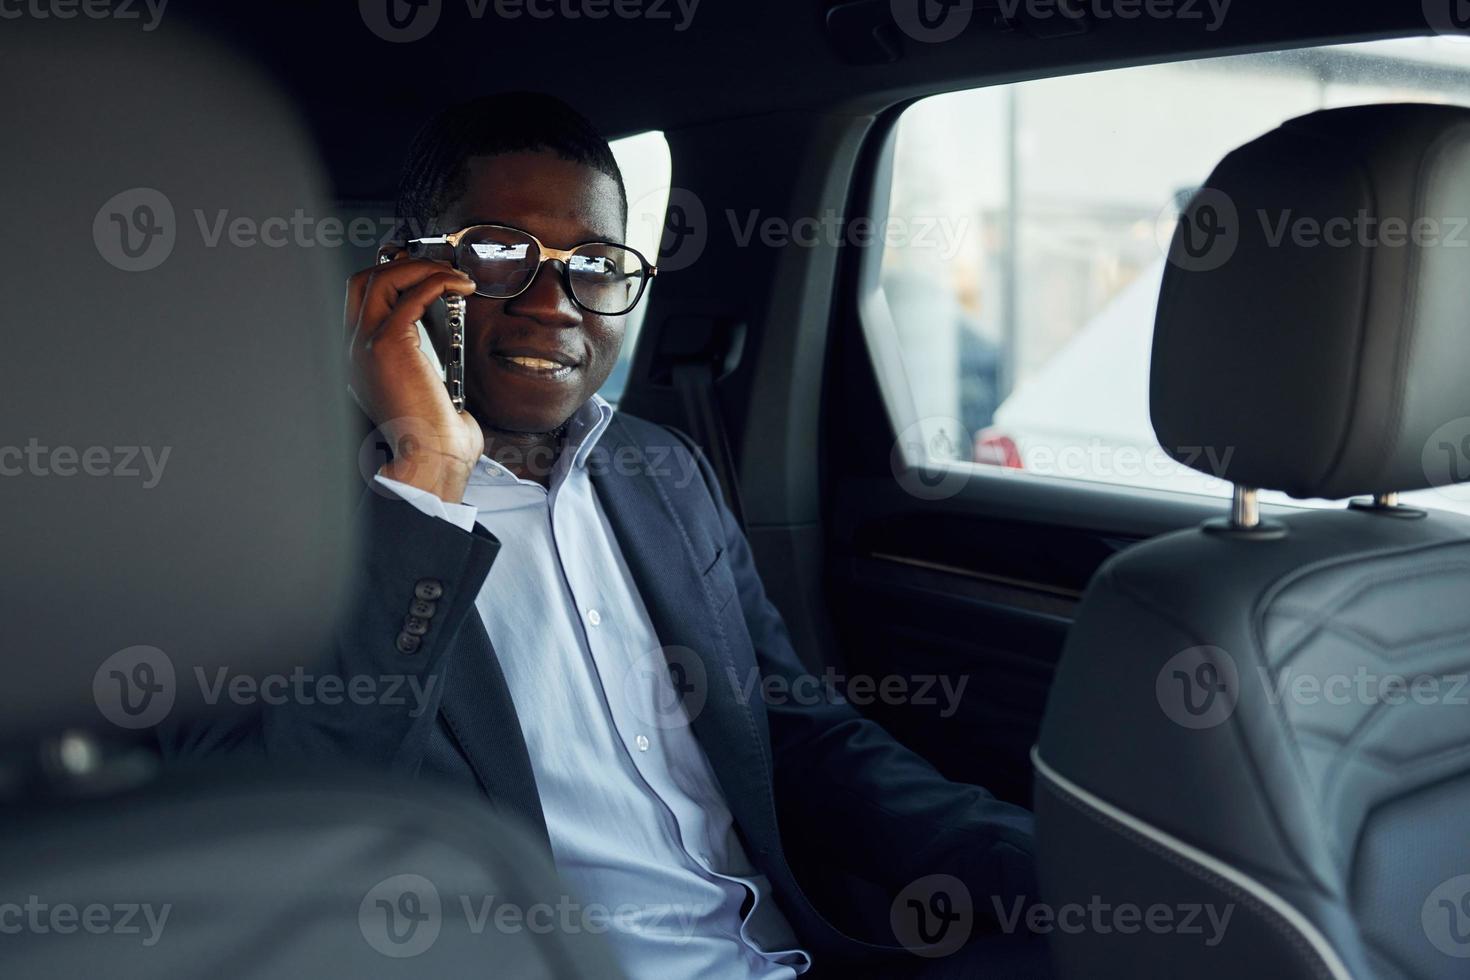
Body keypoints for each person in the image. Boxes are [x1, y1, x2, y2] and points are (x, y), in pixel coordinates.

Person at [172, 92, 1045, 979]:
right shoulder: (283, 517)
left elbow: (796, 735)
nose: (556, 304)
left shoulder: (661, 470)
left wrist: (1052, 863)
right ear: (401, 277)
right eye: (500, 255)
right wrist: (429, 468)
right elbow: (270, 818)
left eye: (594, 264)